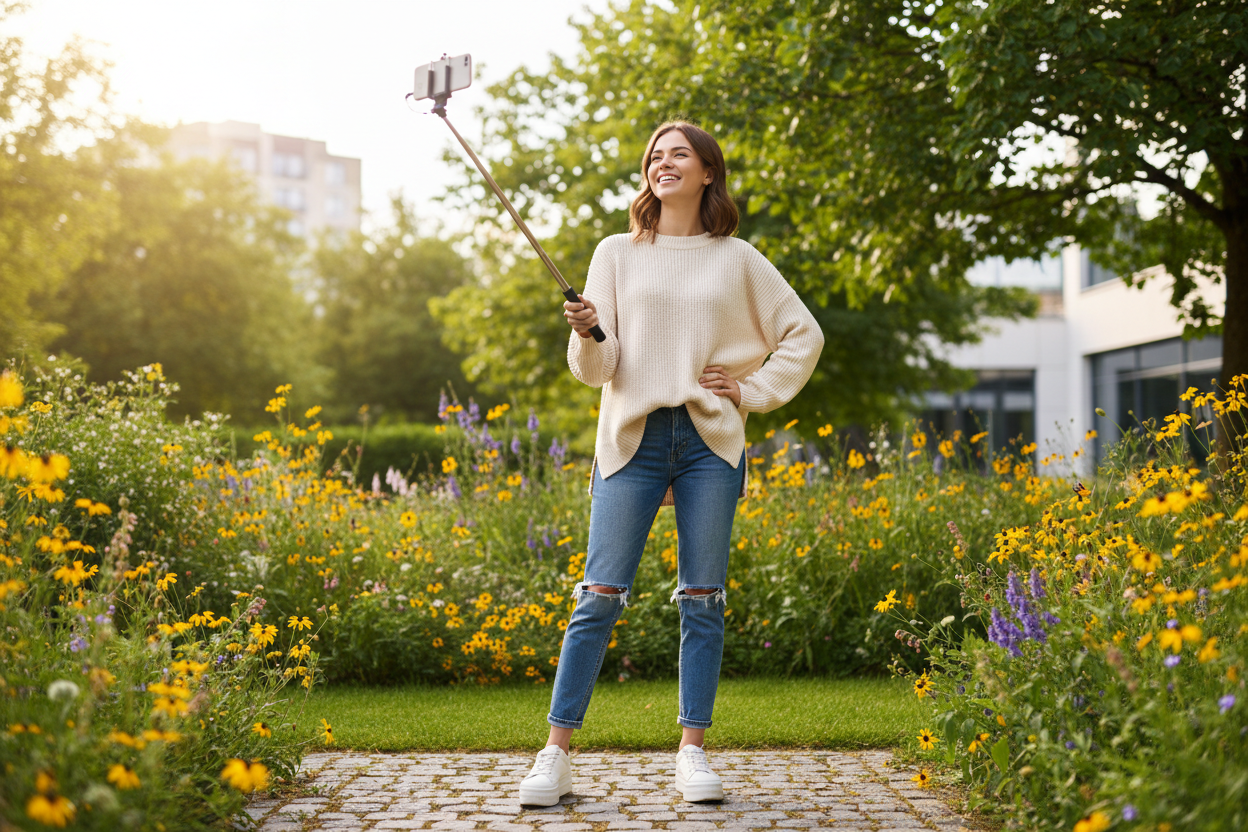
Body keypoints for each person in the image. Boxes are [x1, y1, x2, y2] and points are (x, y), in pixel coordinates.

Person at [517, 121, 824, 807]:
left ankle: (692, 754)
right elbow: (598, 370)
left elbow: (804, 332)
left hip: (709, 442)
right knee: (597, 598)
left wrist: (753, 390)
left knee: (703, 600)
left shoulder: (736, 257)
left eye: (678, 154)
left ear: (707, 171)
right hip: (632, 437)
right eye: (655, 156)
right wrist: (588, 331)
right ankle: (554, 756)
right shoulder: (616, 254)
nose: (664, 163)